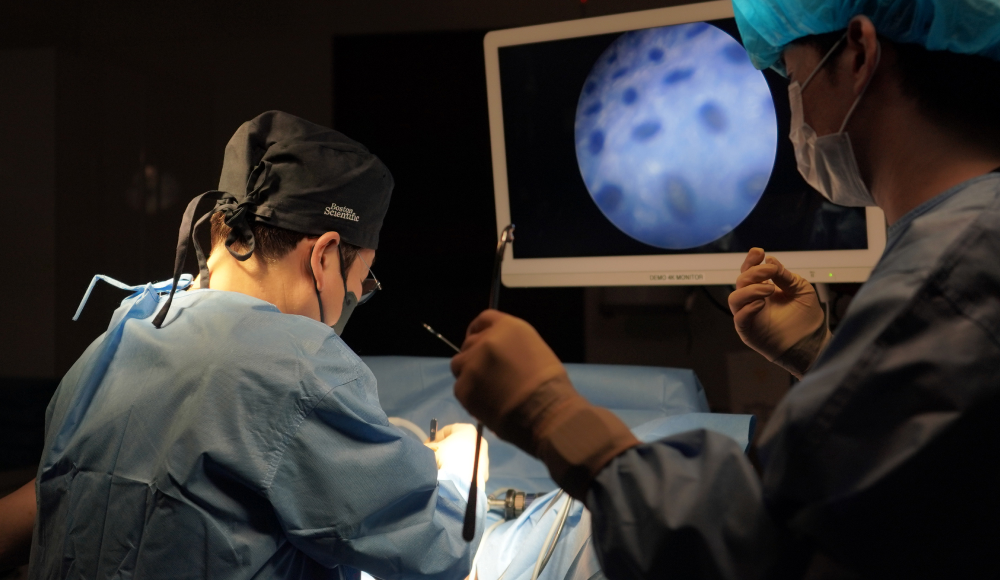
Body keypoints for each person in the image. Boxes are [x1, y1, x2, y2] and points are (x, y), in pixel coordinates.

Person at [450, 1, 1000, 578]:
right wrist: (823, 357)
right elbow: (914, 489)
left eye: (791, 75)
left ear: (859, 53)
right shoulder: (964, 239)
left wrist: (554, 417)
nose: (790, 109)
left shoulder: (946, 278)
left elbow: (753, 552)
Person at [15, 111, 487, 580]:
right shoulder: (299, 370)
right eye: (362, 281)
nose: (354, 298)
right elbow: (441, 550)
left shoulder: (119, 335)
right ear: (324, 257)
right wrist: (467, 464)